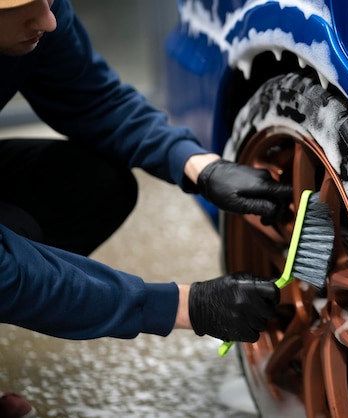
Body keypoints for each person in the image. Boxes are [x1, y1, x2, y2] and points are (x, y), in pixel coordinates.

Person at [0, 0, 293, 416]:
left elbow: (93, 99)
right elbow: (5, 273)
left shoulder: (42, 14)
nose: (47, 19)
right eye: (23, 7)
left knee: (93, 185)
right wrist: (183, 305)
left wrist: (199, 167)